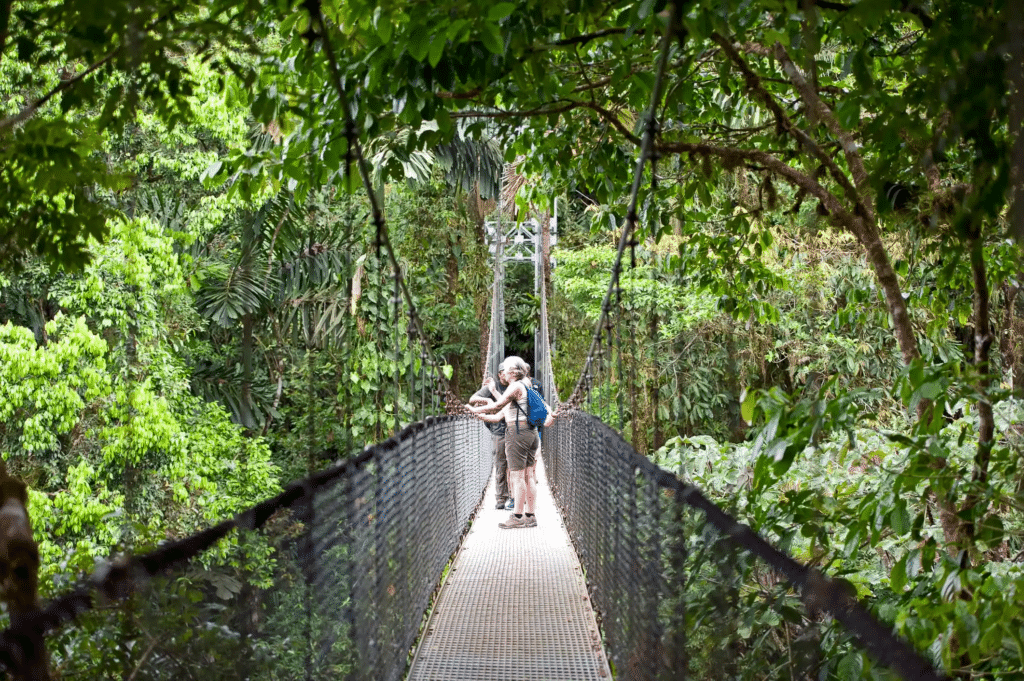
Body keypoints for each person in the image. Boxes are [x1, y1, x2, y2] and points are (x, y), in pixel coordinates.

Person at [467, 355, 554, 529]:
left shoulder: (515, 386)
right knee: (529, 476)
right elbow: (500, 414)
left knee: (516, 476)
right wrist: (479, 414)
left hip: (518, 433)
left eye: (505, 370)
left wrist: (470, 408)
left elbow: (496, 405)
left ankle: (517, 516)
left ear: (513, 372)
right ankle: (530, 516)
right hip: (531, 432)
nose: (503, 374)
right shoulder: (527, 384)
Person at [469, 362, 512, 510]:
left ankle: (514, 497)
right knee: (501, 465)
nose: (509, 374)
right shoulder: (491, 387)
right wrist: (487, 399)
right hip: (499, 431)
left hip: (514, 430)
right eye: (506, 372)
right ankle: (500, 498)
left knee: (514, 466)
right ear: (500, 374)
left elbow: (509, 405)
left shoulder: (514, 385)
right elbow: (472, 399)